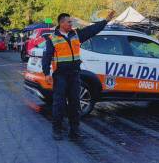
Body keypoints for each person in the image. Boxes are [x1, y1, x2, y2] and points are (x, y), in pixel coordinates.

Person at [42, 11, 115, 141]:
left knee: (75, 104)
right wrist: (46, 73)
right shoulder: (52, 39)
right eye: (69, 22)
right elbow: (47, 57)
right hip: (60, 76)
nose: (71, 24)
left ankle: (74, 131)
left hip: (75, 75)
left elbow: (92, 30)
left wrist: (105, 21)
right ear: (61, 23)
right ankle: (57, 130)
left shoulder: (76, 34)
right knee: (59, 104)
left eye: (71, 22)